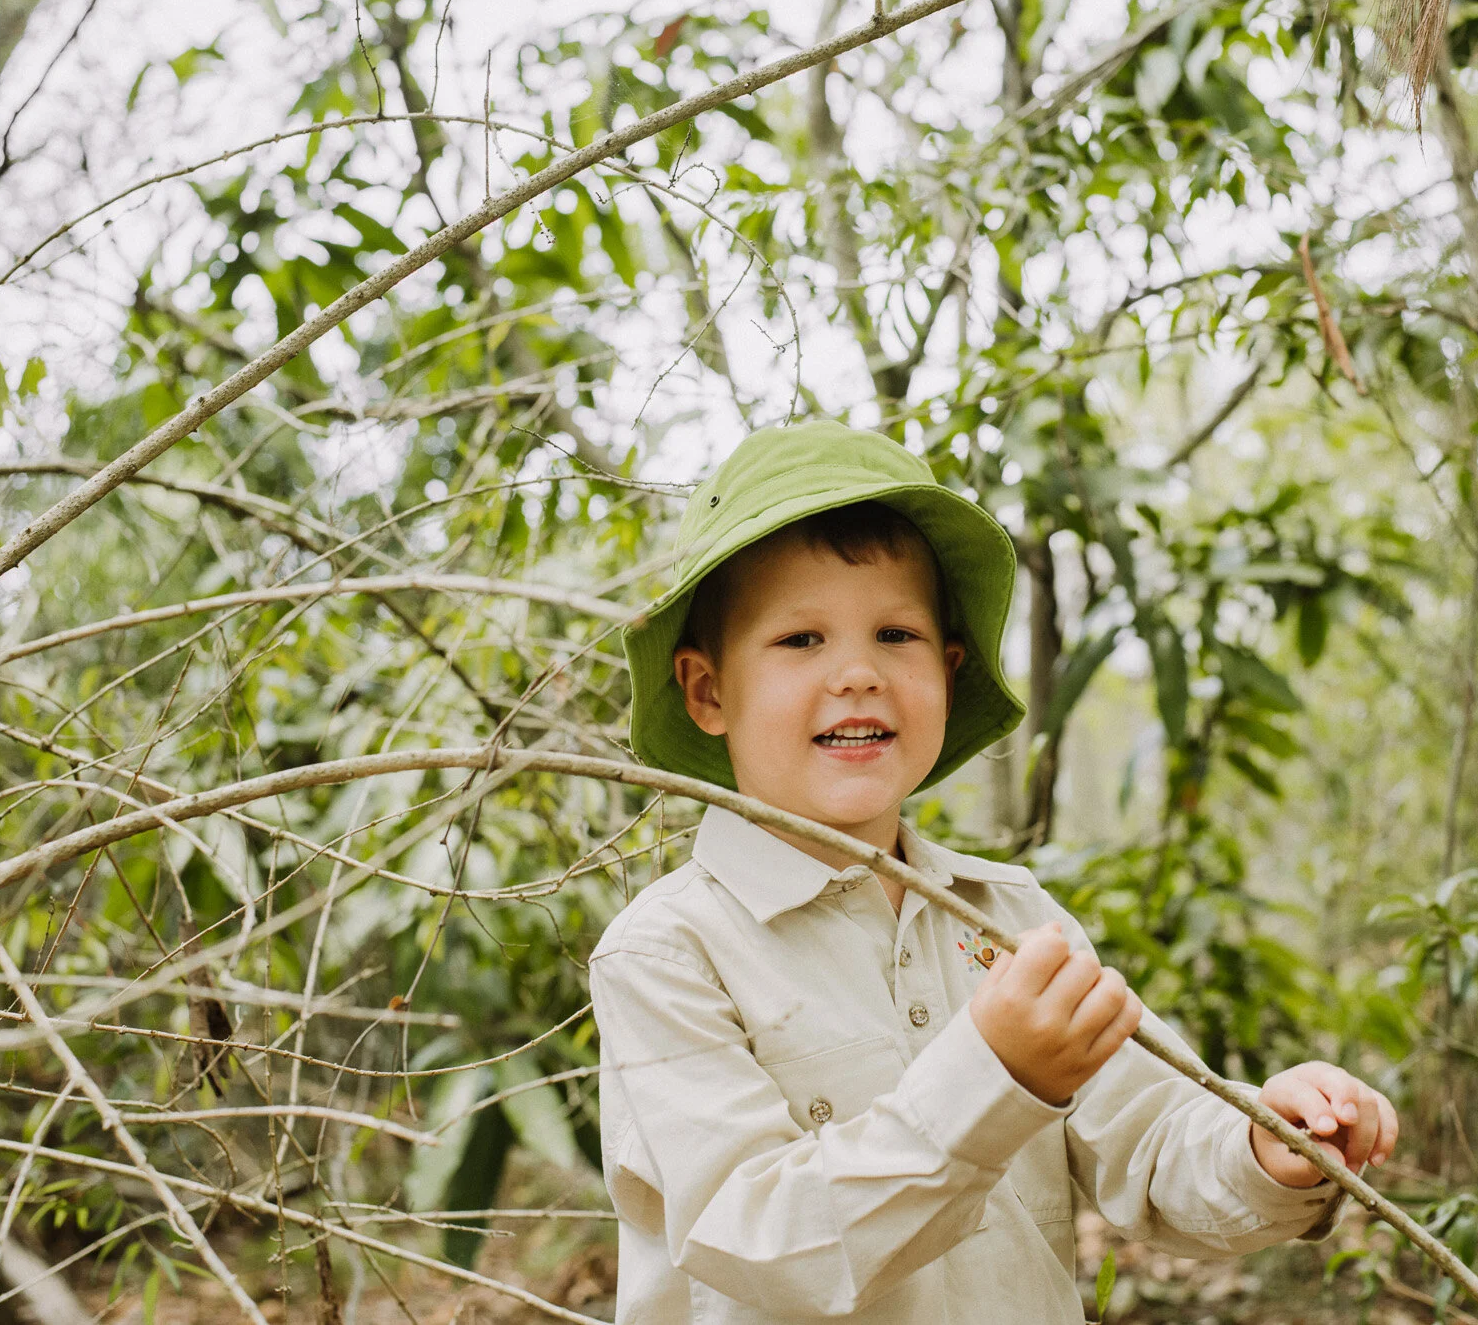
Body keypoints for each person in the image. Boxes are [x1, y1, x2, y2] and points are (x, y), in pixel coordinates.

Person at [590, 421, 1398, 1323]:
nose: (857, 672)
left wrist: (1264, 1143)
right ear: (707, 691)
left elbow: (1153, 1143)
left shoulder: (1009, 921)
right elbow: (763, 1244)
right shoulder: (668, 953)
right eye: (800, 639)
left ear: (947, 668)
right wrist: (994, 1074)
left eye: (895, 633)